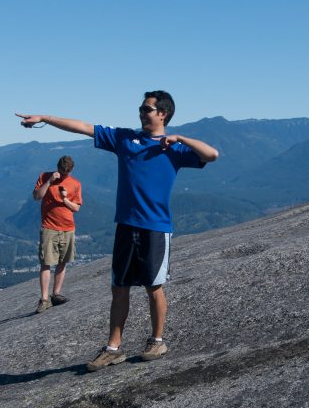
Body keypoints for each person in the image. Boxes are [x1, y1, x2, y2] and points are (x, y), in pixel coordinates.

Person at [17, 90, 219, 369]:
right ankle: (113, 347)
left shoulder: (174, 148)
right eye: (141, 108)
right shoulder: (126, 139)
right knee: (119, 287)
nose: (141, 112)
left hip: (156, 228)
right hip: (126, 225)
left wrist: (180, 138)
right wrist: (45, 118)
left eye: (147, 109)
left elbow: (213, 154)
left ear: (163, 113)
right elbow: (85, 128)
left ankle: (157, 340)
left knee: (154, 286)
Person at [33, 155, 82, 313]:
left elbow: (76, 208)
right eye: (61, 172)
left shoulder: (75, 184)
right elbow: (37, 196)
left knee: (63, 261)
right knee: (46, 262)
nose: (63, 175)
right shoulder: (45, 177)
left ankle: (56, 294)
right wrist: (49, 182)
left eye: (66, 173)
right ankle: (44, 299)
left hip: (68, 228)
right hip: (49, 227)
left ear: (71, 170)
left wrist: (64, 199)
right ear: (57, 168)